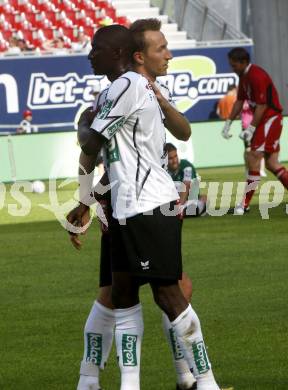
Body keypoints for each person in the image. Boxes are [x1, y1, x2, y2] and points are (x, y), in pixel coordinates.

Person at [72, 20, 220, 390]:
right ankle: (126, 384)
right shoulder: (113, 91)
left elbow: (91, 142)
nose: (91, 54)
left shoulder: (131, 86)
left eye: (97, 49)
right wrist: (87, 198)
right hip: (124, 207)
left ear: (121, 54)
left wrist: (83, 193)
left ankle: (204, 381)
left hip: (148, 205)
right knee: (121, 297)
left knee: (172, 295)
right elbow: (99, 148)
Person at [222, 47, 287, 214]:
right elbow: (240, 100)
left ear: (244, 62)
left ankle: (243, 205)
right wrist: (228, 122)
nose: (232, 68)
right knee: (272, 164)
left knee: (253, 156)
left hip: (270, 118)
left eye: (234, 65)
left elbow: (262, 105)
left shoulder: (256, 76)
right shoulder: (243, 76)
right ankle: (244, 204)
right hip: (265, 120)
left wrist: (251, 128)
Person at [165, 143, 206, 217]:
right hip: (170, 202)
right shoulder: (162, 169)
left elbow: (186, 186)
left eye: (175, 156)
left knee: (193, 207)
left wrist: (178, 208)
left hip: (188, 201)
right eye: (170, 158)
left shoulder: (186, 166)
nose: (174, 161)